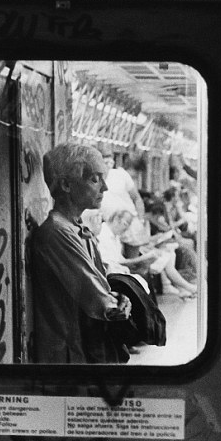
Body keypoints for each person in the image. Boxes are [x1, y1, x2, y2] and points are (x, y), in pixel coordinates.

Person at [31, 142, 132, 363]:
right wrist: (116, 303)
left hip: (80, 348)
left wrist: (115, 300)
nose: (104, 187)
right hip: (69, 354)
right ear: (67, 184)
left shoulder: (77, 228)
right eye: (95, 179)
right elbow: (97, 298)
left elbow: (101, 291)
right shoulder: (57, 232)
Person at [92, 208, 198, 299]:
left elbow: (120, 260)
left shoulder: (115, 236)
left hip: (117, 267)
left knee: (164, 257)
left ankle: (182, 288)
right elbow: (117, 262)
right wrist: (144, 258)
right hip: (111, 271)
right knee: (146, 271)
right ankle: (184, 288)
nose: (125, 229)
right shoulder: (104, 235)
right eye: (124, 224)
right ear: (116, 219)